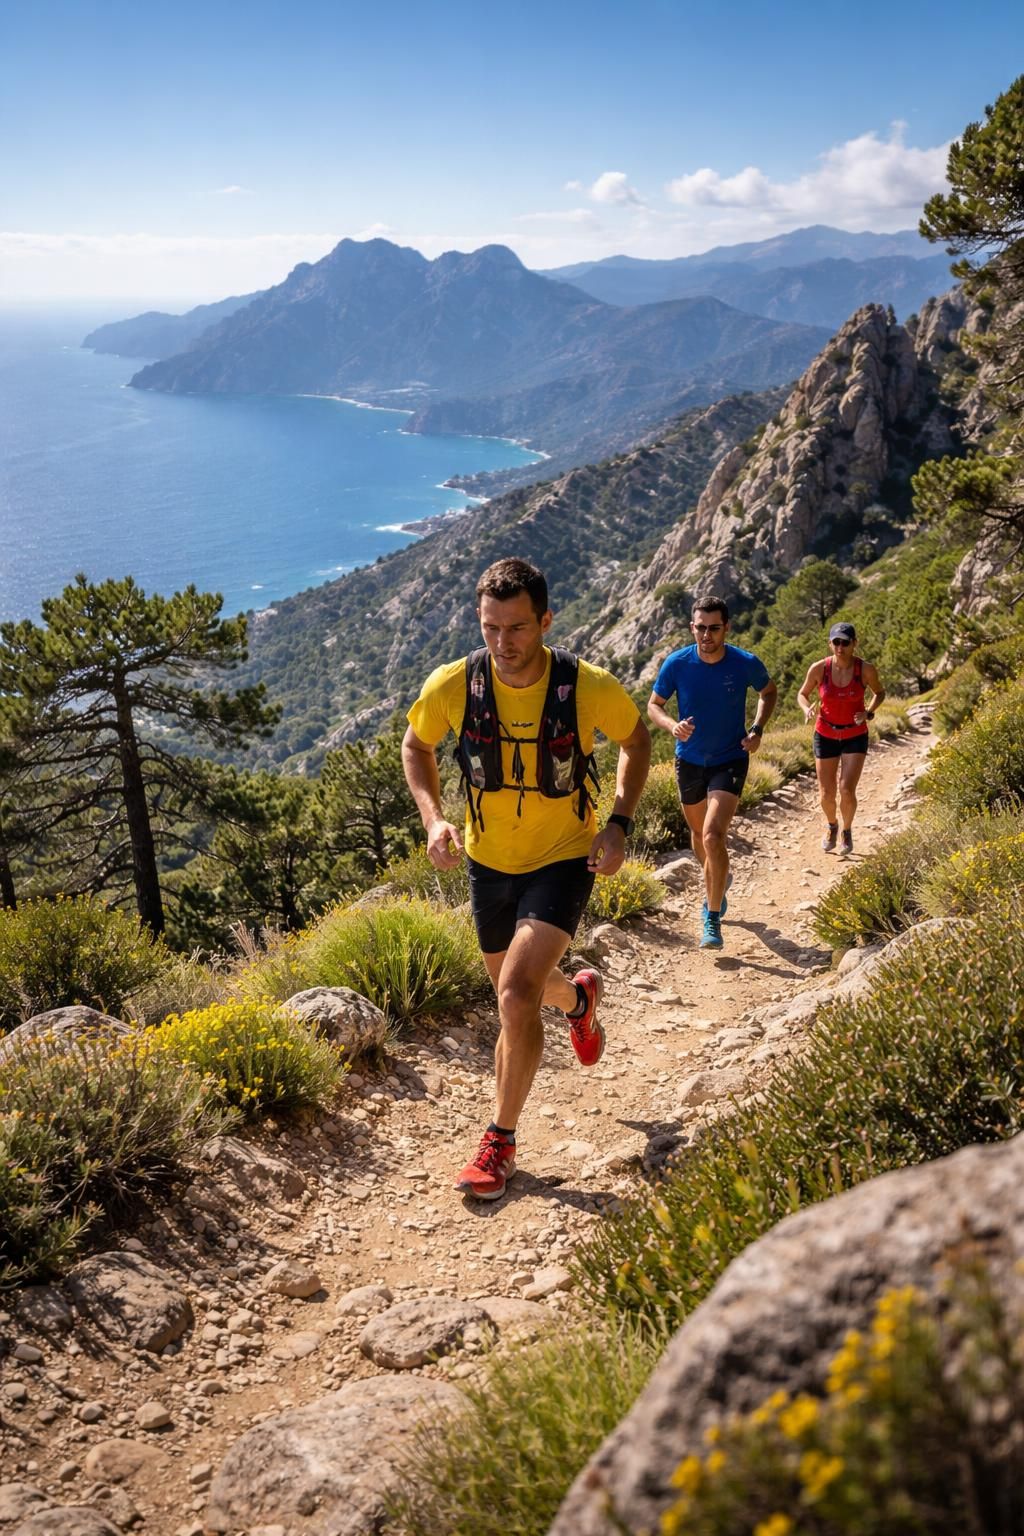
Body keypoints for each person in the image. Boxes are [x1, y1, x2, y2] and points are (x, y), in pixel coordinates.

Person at [401, 557, 651, 1201]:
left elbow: (637, 740)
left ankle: (499, 1143)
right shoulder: (455, 684)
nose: (502, 643)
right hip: (487, 862)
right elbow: (416, 745)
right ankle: (579, 1002)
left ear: (545, 620)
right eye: (490, 628)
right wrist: (433, 821)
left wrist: (618, 823)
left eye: (516, 628)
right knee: (529, 994)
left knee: (513, 995)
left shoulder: (585, 685)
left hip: (565, 855)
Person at [647, 594, 777, 951]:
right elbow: (654, 706)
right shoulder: (677, 663)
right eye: (700, 628)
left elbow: (768, 692)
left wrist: (757, 729)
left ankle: (711, 913)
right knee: (697, 833)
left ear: (726, 628)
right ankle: (719, 880)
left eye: (714, 628)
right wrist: (672, 726)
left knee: (712, 836)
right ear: (692, 627)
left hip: (730, 758)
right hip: (689, 760)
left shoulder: (743, 662)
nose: (706, 635)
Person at [797, 621, 885, 856]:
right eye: (836, 642)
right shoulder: (819, 669)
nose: (840, 647)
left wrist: (868, 712)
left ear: (854, 644)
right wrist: (806, 709)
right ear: (830, 644)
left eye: (845, 642)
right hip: (825, 733)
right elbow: (802, 694)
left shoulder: (865, 670)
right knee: (826, 793)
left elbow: (880, 692)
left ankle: (846, 830)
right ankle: (832, 825)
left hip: (854, 734)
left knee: (846, 789)